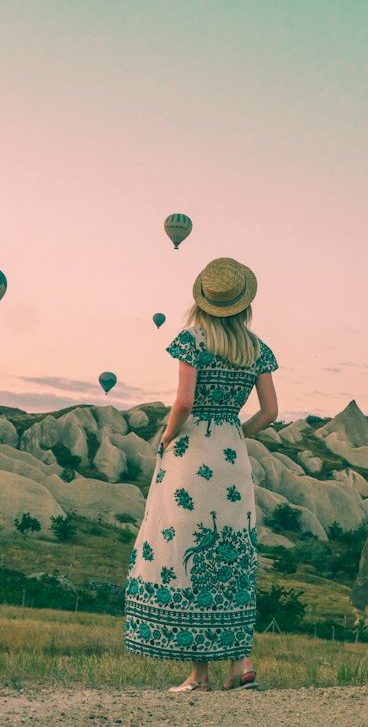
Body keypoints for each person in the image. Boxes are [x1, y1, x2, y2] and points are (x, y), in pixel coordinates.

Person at [122, 256, 280, 692]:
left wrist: (166, 438)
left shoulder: (192, 340)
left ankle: (199, 674)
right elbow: (271, 412)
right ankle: (240, 664)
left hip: (192, 456)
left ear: (203, 301)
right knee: (233, 551)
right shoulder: (257, 348)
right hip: (232, 457)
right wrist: (236, 433)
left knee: (189, 548)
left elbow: (184, 402)